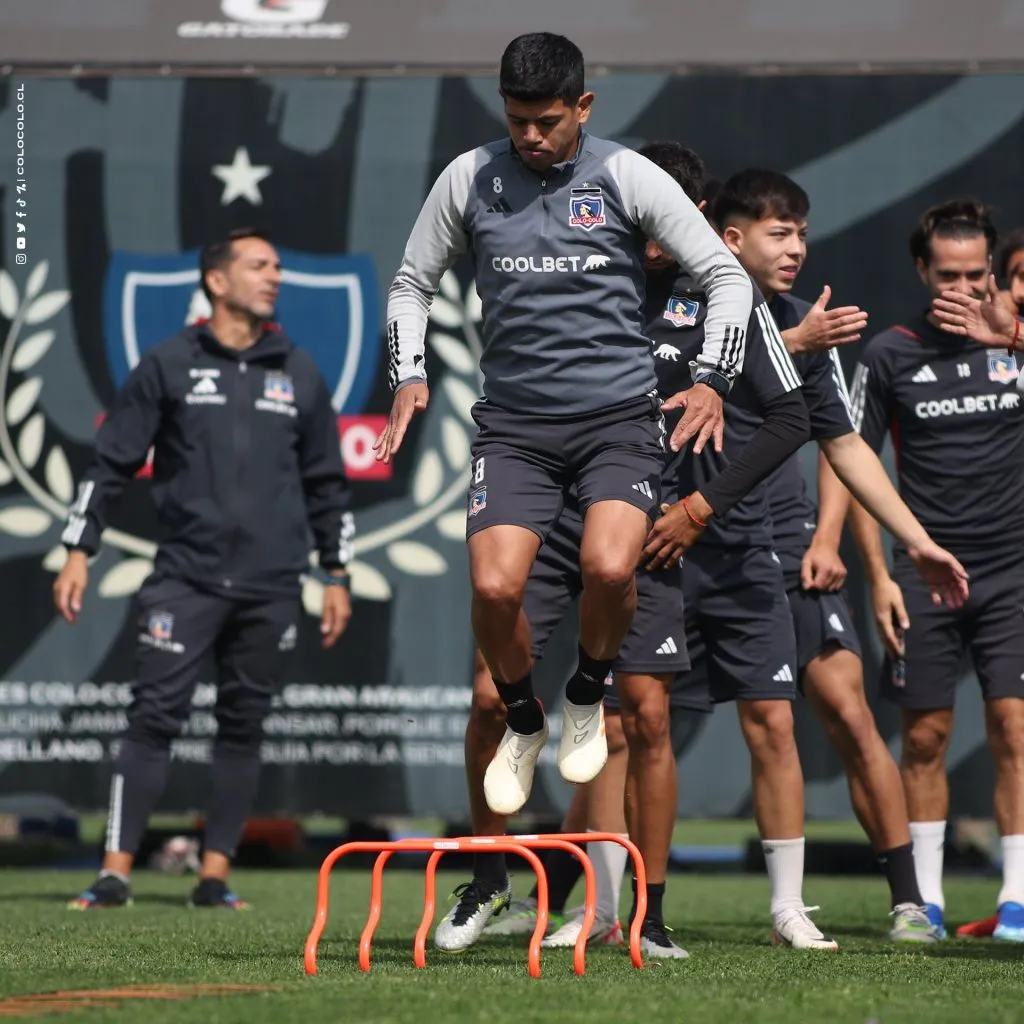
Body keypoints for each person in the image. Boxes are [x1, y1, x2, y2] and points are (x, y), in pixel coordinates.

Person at [434, 141, 809, 958]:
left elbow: (791, 415)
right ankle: (490, 878)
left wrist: (700, 508)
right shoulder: (571, 273)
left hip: (645, 523)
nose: (641, 229)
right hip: (542, 507)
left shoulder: (719, 294)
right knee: (491, 700)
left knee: (643, 718)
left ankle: (649, 909)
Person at [374, 33, 753, 819]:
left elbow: (723, 275)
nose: (531, 137)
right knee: (493, 585)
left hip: (617, 421)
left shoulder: (625, 175)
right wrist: (408, 374)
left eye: (547, 121)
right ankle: (524, 717)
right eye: (517, 121)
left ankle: (585, 692)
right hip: (514, 427)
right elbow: (413, 281)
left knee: (613, 571)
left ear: (583, 106)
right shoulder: (469, 177)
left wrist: (714, 379)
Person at [56, 228, 355, 910]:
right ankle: (114, 874)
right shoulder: (168, 363)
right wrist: (80, 550)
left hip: (273, 584)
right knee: (152, 718)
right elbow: (110, 464)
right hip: (185, 578)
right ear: (217, 281)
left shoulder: (300, 371)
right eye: (259, 266)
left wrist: (335, 573)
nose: (274, 276)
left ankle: (214, 876)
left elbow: (328, 485)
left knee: (242, 726)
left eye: (278, 266)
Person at [716, 168, 941, 940]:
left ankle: (910, 899)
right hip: (692, 541)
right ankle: (602, 901)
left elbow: (841, 440)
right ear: (729, 237)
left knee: (846, 712)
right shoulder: (693, 313)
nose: (796, 248)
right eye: (780, 233)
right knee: (627, 726)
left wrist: (825, 537)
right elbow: (689, 388)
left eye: (802, 234)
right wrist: (794, 342)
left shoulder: (809, 323)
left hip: (787, 548)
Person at [850, 200, 1024, 942]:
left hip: (1013, 568)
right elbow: (856, 469)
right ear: (923, 271)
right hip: (924, 573)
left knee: (1015, 728)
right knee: (923, 739)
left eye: (977, 274)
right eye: (947, 274)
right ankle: (925, 902)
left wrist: (1010, 331)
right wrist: (881, 576)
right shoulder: (889, 355)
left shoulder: (1015, 340)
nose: (963, 288)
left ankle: (1017, 903)